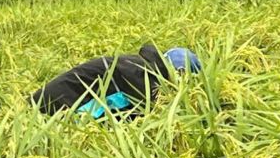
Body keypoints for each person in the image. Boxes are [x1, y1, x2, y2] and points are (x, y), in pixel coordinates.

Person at [33, 44, 201, 117]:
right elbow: (137, 108)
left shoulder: (139, 65)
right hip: (51, 108)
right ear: (179, 72)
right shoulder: (141, 74)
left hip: (51, 99)